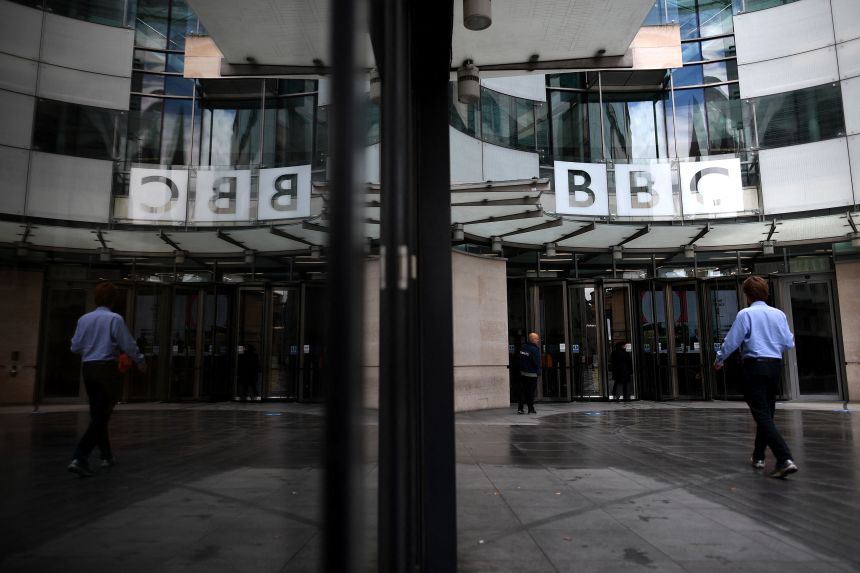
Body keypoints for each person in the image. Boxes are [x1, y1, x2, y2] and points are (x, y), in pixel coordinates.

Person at [714, 276, 798, 479]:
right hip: (775, 366)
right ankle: (759, 456)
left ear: (747, 295)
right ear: (765, 292)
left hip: (754, 367)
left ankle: (784, 458)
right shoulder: (778, 314)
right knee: (767, 412)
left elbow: (732, 340)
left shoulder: (746, 314)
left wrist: (719, 359)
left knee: (761, 414)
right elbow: (789, 342)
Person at [68, 282, 146, 477]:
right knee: (102, 415)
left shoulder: (84, 319)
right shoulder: (114, 319)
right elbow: (128, 344)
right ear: (113, 300)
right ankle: (80, 456)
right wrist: (140, 362)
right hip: (107, 369)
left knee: (98, 414)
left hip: (88, 368)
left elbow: (75, 347)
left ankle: (106, 455)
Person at [517, 332, 541, 414]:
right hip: (532, 374)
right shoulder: (534, 349)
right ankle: (531, 408)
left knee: (523, 391)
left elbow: (519, 359)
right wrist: (538, 370)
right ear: (533, 339)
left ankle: (520, 408)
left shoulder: (523, 348)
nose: (538, 340)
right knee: (530, 392)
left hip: (522, 373)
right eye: (537, 339)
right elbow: (536, 362)